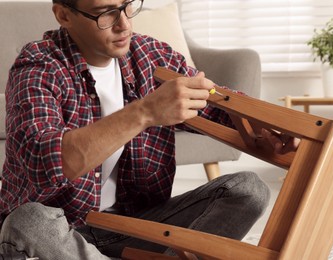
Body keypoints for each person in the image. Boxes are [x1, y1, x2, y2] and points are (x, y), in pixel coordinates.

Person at [0, 0, 296, 259]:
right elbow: (48, 162)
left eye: (127, 5)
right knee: (29, 221)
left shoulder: (150, 55)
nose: (124, 24)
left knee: (249, 190)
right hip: (62, 230)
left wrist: (264, 127)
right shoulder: (37, 66)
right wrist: (145, 112)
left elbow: (217, 106)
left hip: (132, 226)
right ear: (64, 15)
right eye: (105, 13)